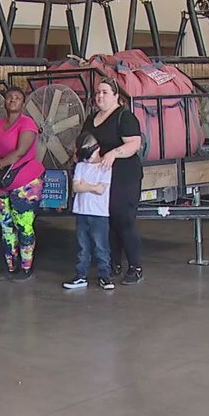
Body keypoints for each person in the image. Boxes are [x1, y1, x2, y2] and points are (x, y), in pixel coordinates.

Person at [80, 78, 144, 285]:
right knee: (106, 220)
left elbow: (134, 143)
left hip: (124, 175)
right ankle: (113, 263)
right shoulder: (91, 118)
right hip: (101, 176)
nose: (100, 96)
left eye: (105, 92)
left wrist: (113, 154)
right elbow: (85, 143)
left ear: (116, 96)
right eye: (98, 92)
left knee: (123, 219)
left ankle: (135, 267)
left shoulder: (124, 117)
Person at [0, 87, 46, 282]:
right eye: (9, 97)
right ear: (4, 102)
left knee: (23, 225)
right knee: (5, 226)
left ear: (23, 102)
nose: (12, 100)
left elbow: (20, 151)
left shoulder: (28, 124)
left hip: (24, 182)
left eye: (17, 98)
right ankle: (10, 266)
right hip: (0, 181)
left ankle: (26, 267)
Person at [63, 132, 115, 290]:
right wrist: (91, 186)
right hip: (82, 212)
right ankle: (80, 276)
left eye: (88, 155)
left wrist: (85, 185)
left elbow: (101, 190)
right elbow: (76, 187)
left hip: (99, 214)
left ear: (97, 149)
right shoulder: (80, 165)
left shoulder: (105, 167)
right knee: (82, 248)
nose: (86, 159)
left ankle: (105, 276)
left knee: (101, 247)